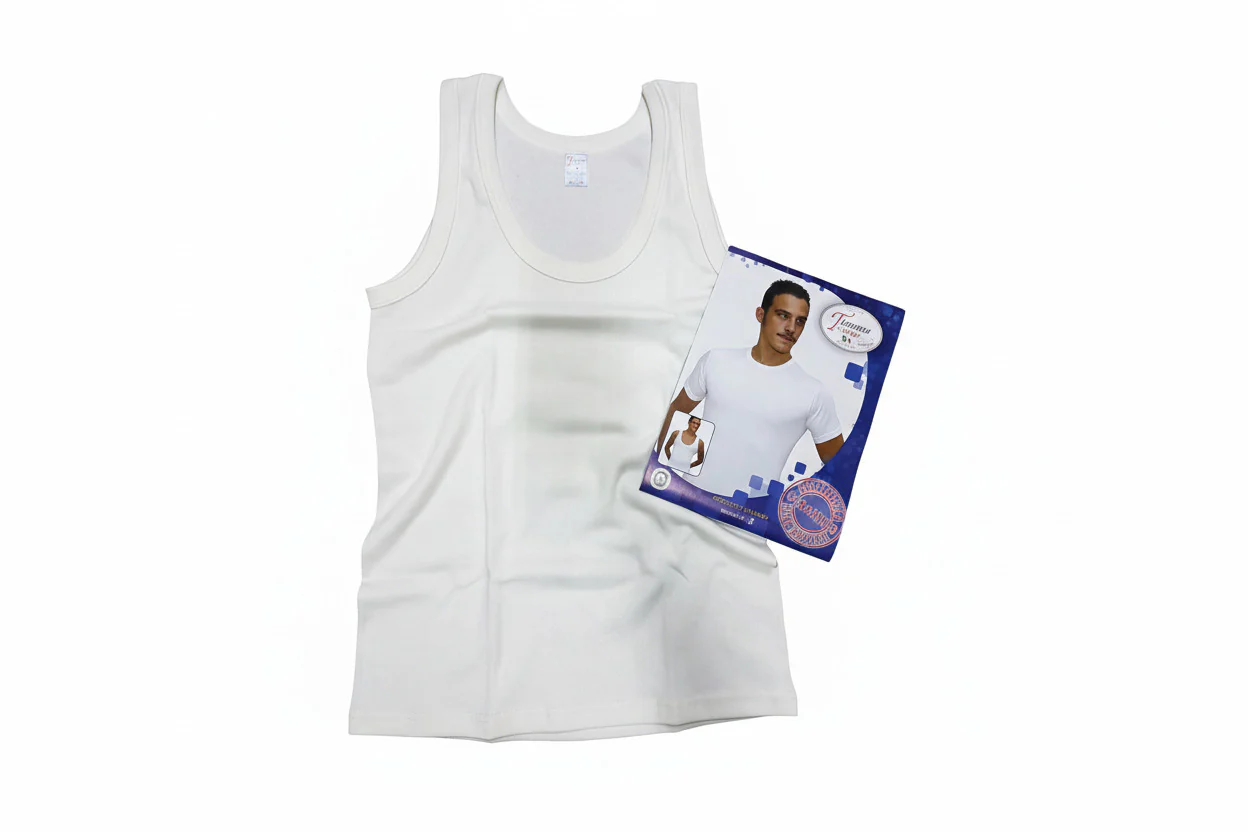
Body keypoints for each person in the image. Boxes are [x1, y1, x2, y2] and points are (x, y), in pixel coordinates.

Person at [656, 279, 844, 498]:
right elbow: (676, 410)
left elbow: (840, 470)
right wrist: (660, 475)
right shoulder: (716, 360)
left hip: (748, 513)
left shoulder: (814, 393)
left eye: (800, 321)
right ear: (760, 314)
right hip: (687, 496)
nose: (791, 328)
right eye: (783, 315)